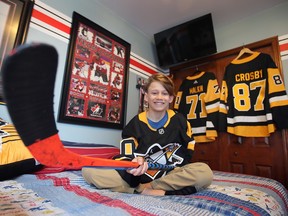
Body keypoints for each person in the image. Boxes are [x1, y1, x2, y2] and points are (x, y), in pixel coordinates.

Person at [82, 73, 213, 196]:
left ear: (171, 98)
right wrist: (133, 166)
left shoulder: (181, 121)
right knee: (89, 171)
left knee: (204, 172)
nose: (160, 97)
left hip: (170, 175)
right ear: (146, 96)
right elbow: (126, 157)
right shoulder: (134, 125)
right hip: (139, 176)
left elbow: (188, 151)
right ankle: (146, 189)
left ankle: (146, 189)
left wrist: (177, 172)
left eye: (165, 93)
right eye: (154, 93)